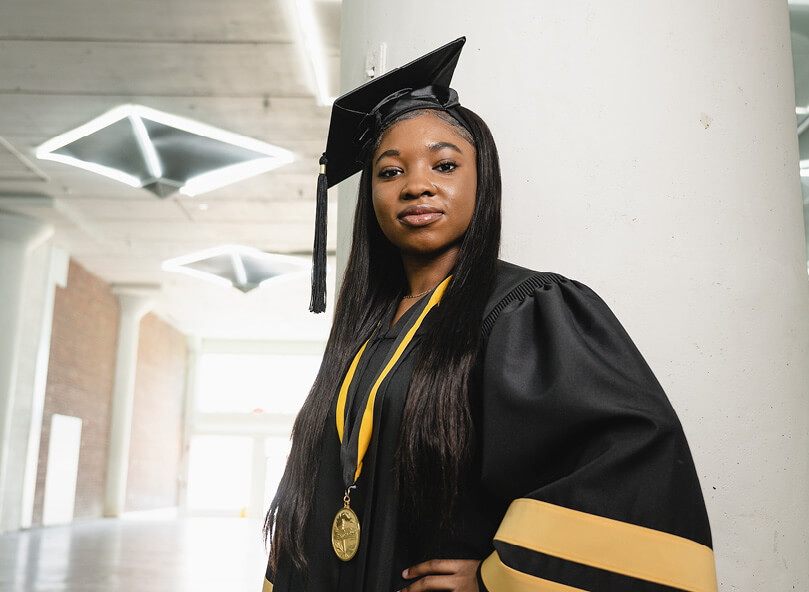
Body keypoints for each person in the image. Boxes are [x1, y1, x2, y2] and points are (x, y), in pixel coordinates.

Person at [263, 37, 717, 592]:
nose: (417, 184)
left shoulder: (526, 313)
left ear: (483, 180)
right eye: (389, 172)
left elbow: (632, 461)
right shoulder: (365, 331)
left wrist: (500, 579)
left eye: (445, 163)